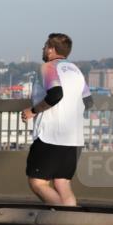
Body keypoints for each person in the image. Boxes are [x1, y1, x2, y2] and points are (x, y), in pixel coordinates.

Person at [21, 33, 92, 207]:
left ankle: (68, 218)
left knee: (37, 182)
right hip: (74, 138)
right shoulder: (76, 71)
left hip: (50, 135)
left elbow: (56, 94)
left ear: (52, 49)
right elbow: (88, 102)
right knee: (62, 183)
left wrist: (32, 111)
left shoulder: (48, 67)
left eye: (45, 46)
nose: (43, 49)